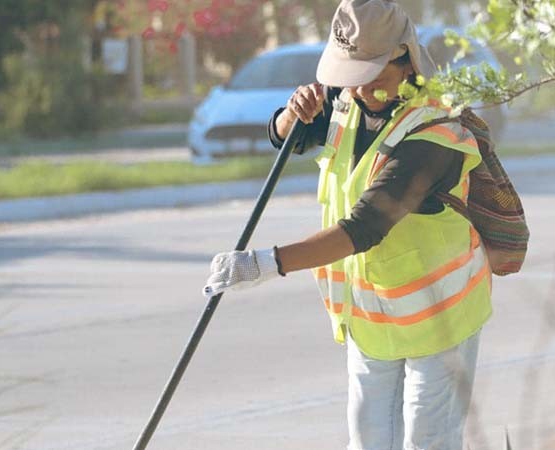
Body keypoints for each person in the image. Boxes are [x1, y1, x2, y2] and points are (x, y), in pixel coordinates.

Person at [202, 1, 493, 449]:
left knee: (427, 442)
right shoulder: (349, 102)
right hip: (371, 317)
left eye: (373, 79)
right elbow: (287, 136)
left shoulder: (437, 133)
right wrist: (292, 114)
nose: (361, 93)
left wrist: (265, 263)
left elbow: (364, 228)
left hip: (441, 318)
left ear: (407, 60)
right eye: (352, 80)